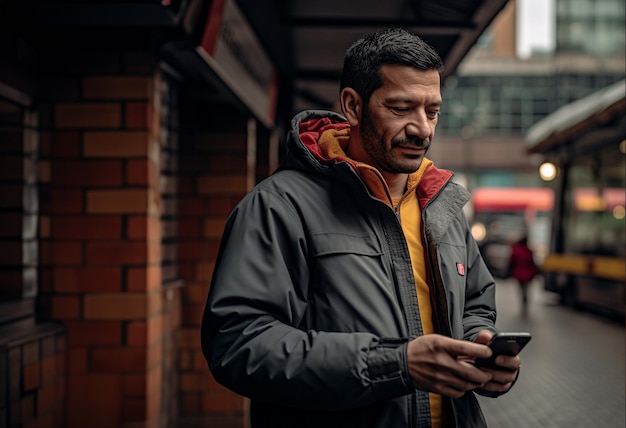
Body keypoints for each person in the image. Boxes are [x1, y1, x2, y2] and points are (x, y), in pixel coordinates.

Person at [201, 27, 522, 428]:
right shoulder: (278, 206)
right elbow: (238, 345)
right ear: (353, 106)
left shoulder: (441, 205)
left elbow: (475, 303)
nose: (422, 128)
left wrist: (483, 347)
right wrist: (395, 364)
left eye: (432, 111)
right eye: (402, 108)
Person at [508, 235, 538, 314]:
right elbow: (532, 263)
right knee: (526, 289)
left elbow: (511, 261)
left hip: (519, 273)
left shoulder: (516, 250)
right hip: (528, 274)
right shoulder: (528, 251)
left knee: (521, 289)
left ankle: (523, 301)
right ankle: (525, 302)